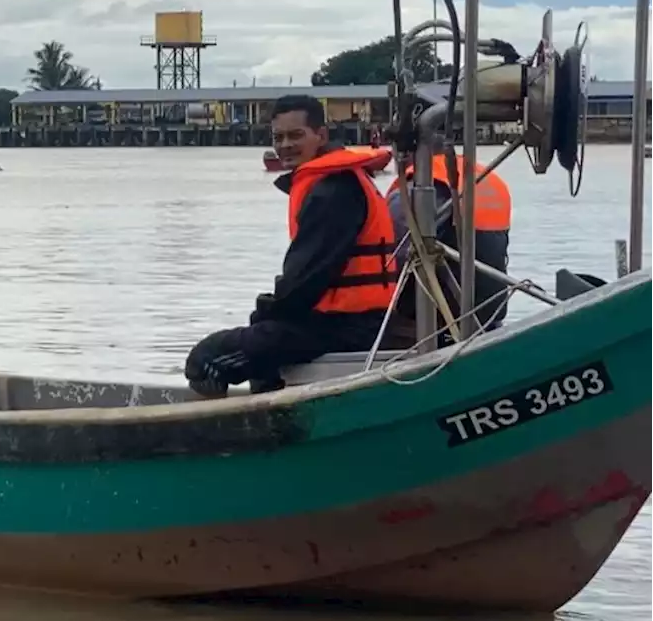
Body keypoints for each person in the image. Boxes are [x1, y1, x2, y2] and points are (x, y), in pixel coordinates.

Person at [184, 95, 398, 397]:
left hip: (345, 327)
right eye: (278, 137)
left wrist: (268, 315)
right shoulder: (334, 181)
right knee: (262, 337)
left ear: (321, 136)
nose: (285, 145)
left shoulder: (332, 190)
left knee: (206, 358)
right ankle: (266, 406)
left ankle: (240, 429)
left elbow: (307, 279)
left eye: (296, 135)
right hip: (340, 320)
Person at [385, 153, 512, 334]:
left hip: (442, 320)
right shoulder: (488, 179)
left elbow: (395, 259)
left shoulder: (418, 191)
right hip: (491, 315)